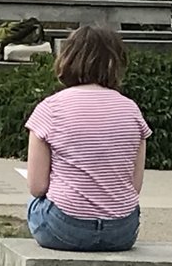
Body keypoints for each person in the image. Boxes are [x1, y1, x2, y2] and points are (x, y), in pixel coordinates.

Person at [23, 24, 150, 251]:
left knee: (34, 204)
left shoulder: (50, 108)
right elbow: (134, 185)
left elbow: (37, 186)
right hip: (121, 231)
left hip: (64, 228)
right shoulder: (131, 110)